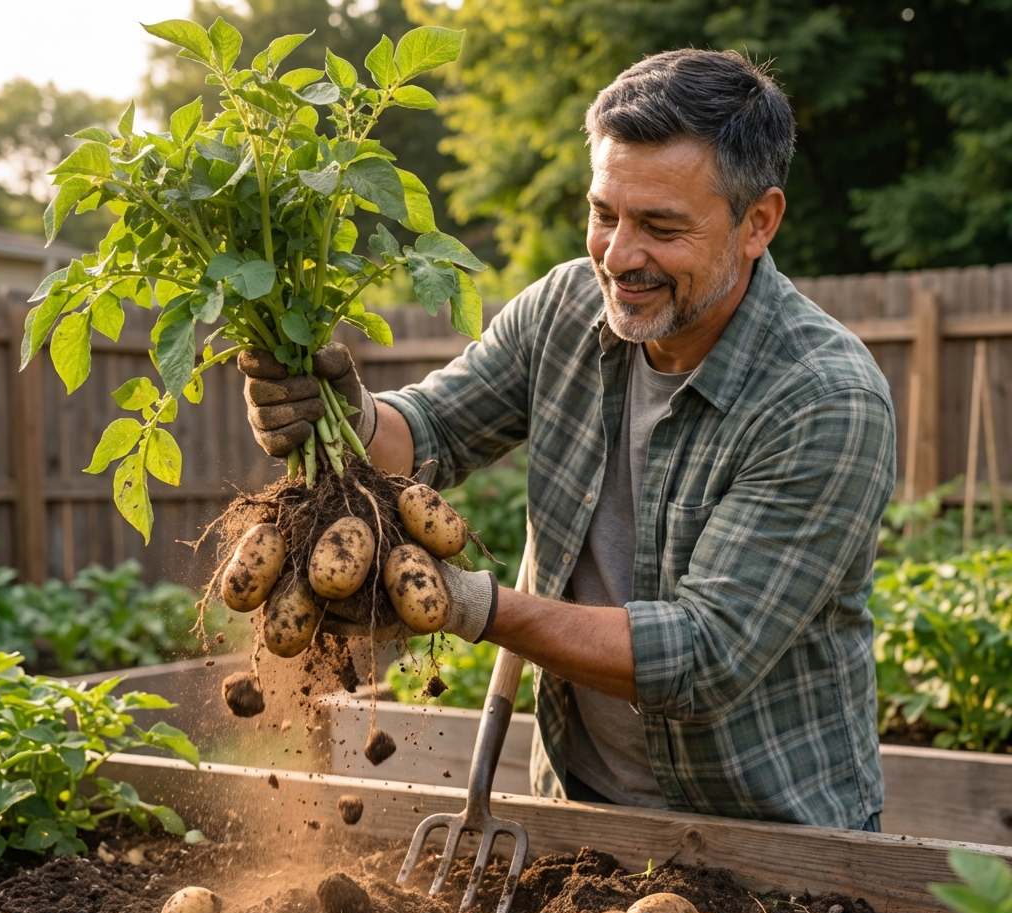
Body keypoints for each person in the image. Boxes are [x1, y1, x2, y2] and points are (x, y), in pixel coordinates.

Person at [240, 48, 896, 831]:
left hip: (775, 845)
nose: (618, 257)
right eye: (605, 214)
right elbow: (429, 432)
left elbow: (700, 655)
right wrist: (344, 417)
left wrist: (471, 606)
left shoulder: (824, 398)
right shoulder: (563, 311)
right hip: (575, 820)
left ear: (758, 222)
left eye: (660, 226)